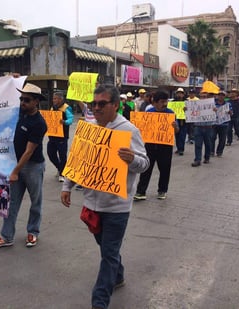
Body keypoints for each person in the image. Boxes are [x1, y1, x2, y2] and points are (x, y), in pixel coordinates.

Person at [60, 84, 149, 309]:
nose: (96, 108)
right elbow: (77, 160)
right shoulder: (88, 128)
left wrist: (132, 159)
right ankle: (117, 275)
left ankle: (99, 302)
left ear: (115, 105)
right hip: (92, 204)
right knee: (107, 249)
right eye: (93, 104)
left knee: (108, 254)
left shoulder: (129, 130)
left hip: (117, 207)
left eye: (102, 104)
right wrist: (67, 186)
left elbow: (144, 164)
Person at [0, 83, 47, 248]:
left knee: (36, 201)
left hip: (33, 166)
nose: (22, 102)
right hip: (16, 165)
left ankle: (33, 232)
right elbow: (6, 100)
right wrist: (11, 81)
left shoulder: (39, 123)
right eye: (21, 99)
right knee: (11, 202)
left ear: (36, 102)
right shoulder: (20, 113)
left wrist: (14, 172)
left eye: (26, 100)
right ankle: (6, 236)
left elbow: (28, 152)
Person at [134, 91, 179, 201]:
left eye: (166, 101)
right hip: (150, 145)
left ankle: (162, 191)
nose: (165, 104)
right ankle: (141, 192)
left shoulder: (170, 113)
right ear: (155, 103)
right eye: (162, 102)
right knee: (146, 168)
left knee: (164, 169)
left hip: (165, 146)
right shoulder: (149, 112)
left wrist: (174, 127)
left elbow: (177, 131)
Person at [46, 92, 73, 182]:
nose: (54, 100)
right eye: (53, 98)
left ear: (61, 99)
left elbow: (71, 119)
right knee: (50, 154)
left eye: (55, 99)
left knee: (62, 155)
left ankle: (62, 174)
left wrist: (64, 122)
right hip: (52, 136)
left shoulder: (66, 108)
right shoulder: (52, 108)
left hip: (62, 136)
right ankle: (60, 168)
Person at [191, 90, 217, 167]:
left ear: (208, 97)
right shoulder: (195, 105)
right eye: (201, 96)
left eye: (204, 96)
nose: (203, 98)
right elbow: (190, 113)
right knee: (198, 144)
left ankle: (207, 157)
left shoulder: (212, 105)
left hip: (208, 127)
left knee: (208, 144)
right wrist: (186, 110)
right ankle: (197, 160)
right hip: (198, 127)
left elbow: (217, 115)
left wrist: (215, 111)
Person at [210, 91, 231, 157]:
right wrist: (212, 110)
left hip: (224, 124)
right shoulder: (213, 104)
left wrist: (229, 112)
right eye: (219, 95)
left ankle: (219, 152)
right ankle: (211, 151)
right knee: (212, 138)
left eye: (222, 95)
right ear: (217, 96)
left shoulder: (228, 104)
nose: (221, 96)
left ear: (225, 96)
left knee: (222, 139)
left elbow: (231, 113)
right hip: (214, 124)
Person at [173, 88, 187, 155]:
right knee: (177, 135)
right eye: (178, 93)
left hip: (183, 121)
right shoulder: (173, 102)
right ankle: (178, 148)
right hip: (176, 120)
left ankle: (181, 149)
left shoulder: (187, 102)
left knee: (182, 135)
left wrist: (186, 109)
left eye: (181, 93)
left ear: (183, 94)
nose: (179, 94)